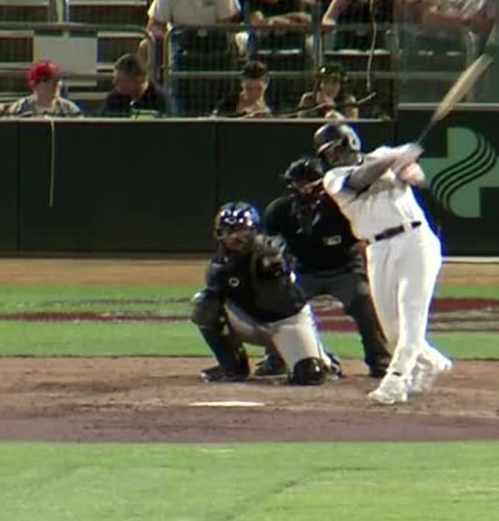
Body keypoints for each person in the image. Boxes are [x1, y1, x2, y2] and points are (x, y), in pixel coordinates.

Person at [314, 120, 452, 405]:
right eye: (327, 154)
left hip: (415, 241)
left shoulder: (383, 156)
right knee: (391, 331)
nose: (333, 157)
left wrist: (405, 164)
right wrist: (392, 157)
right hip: (377, 250)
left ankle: (396, 382)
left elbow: (417, 177)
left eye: (335, 149)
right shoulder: (335, 178)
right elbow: (360, 179)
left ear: (349, 142)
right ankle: (432, 361)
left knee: (411, 319)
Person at [258, 155, 390, 378]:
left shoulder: (341, 208)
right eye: (297, 183)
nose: (301, 188)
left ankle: (380, 360)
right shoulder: (280, 211)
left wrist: (367, 274)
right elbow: (270, 244)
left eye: (305, 182)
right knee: (281, 306)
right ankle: (276, 357)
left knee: (364, 303)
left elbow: (360, 243)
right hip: (305, 271)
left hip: (344, 269)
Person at [191, 202, 337, 386]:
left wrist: (275, 263)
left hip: (287, 323)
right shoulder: (218, 266)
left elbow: (278, 263)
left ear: (254, 230)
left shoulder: (267, 251)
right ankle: (232, 367)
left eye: (240, 230)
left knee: (310, 375)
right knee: (204, 305)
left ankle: (322, 358)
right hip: (251, 322)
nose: (233, 237)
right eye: (227, 231)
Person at [100, 53, 172, 118]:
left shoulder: (158, 100)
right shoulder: (114, 99)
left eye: (120, 80)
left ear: (138, 80)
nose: (114, 82)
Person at [7, 60, 83, 117]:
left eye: (58, 80)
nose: (56, 84)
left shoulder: (70, 110)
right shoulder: (19, 109)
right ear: (34, 84)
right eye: (48, 80)